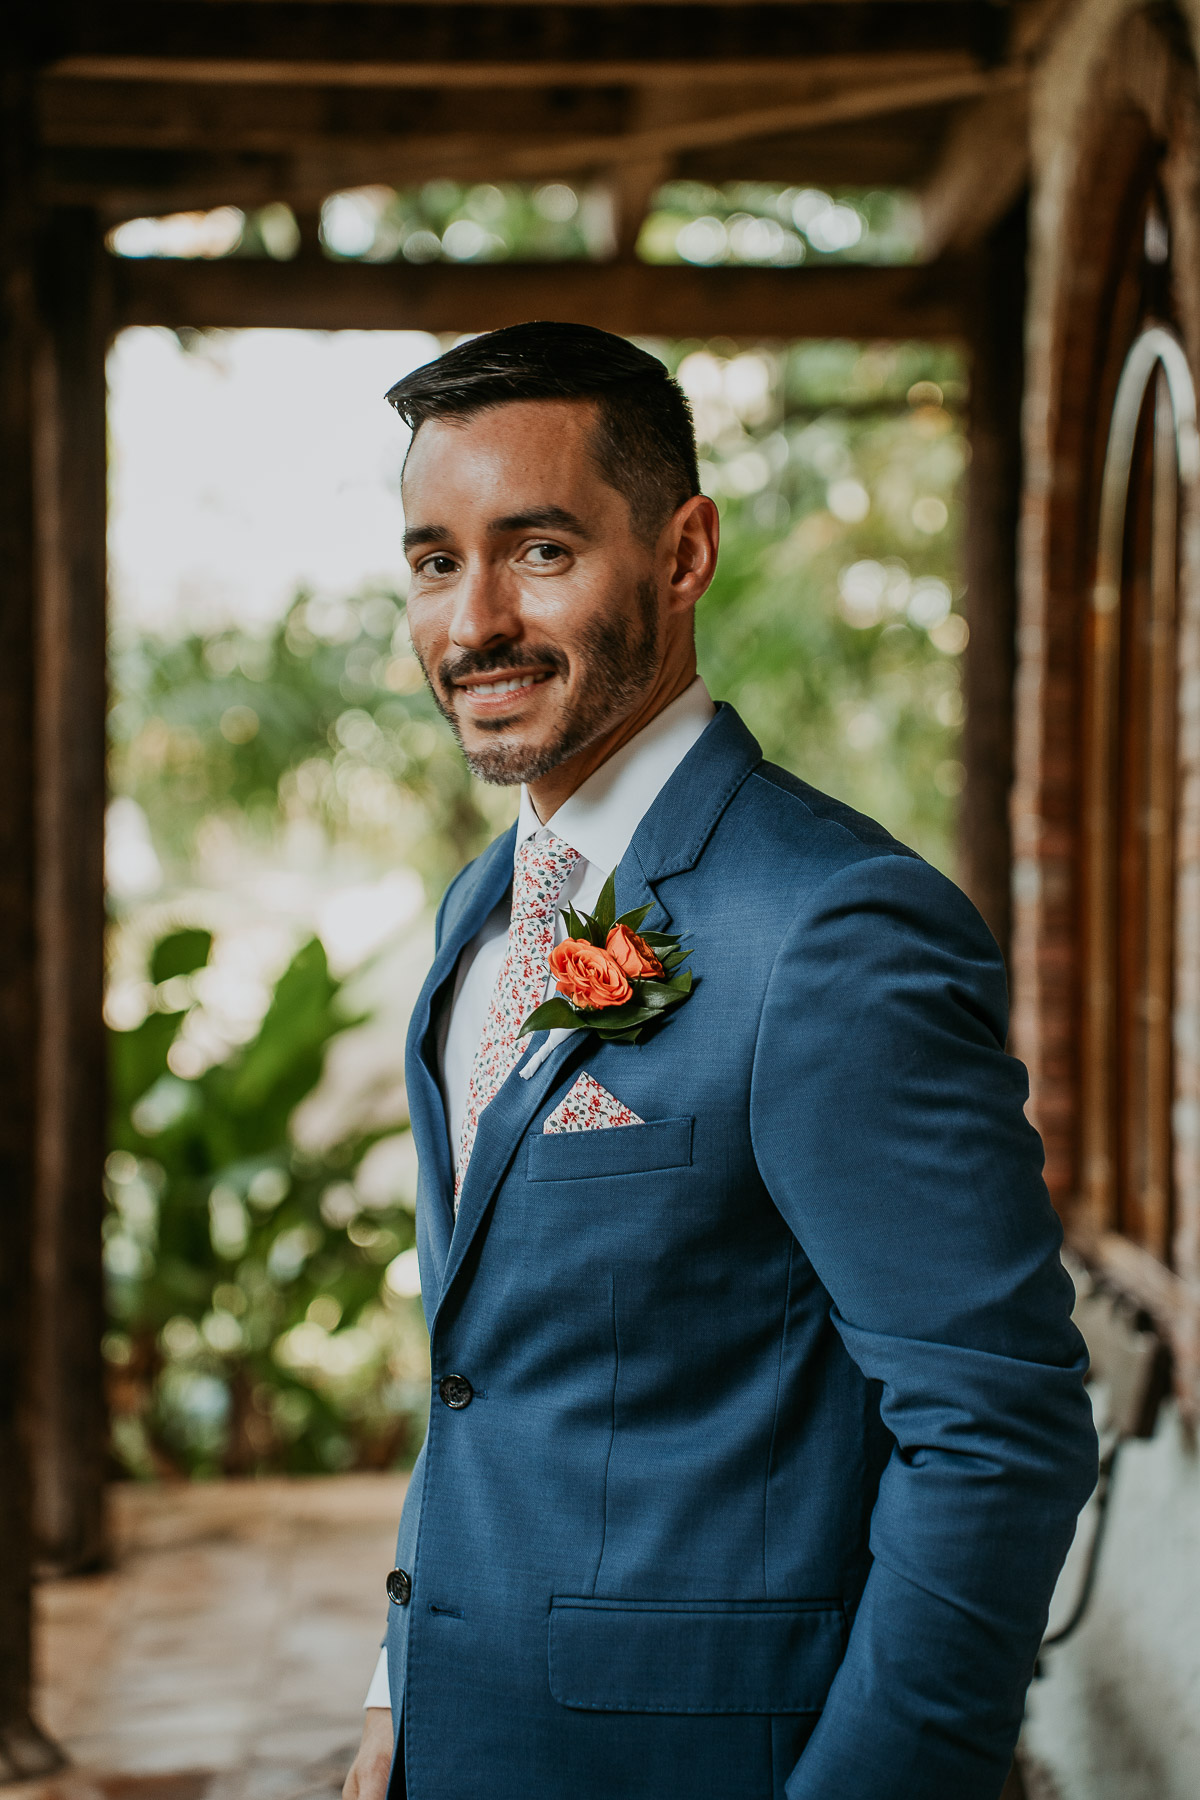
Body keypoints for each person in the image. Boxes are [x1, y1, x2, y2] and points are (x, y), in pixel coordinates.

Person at [341, 322, 1097, 1800]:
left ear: (684, 554)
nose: (473, 620)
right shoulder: (479, 910)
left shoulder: (834, 925)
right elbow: (480, 1373)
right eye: (437, 562)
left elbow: (997, 1433)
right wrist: (402, 1685)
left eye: (539, 550)